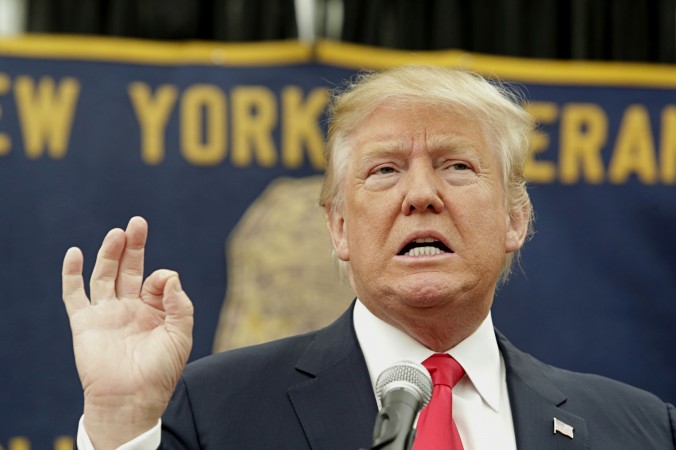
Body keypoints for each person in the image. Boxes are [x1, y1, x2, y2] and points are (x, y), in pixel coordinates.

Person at [62, 65, 675, 449]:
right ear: (339, 228)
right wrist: (123, 422)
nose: (420, 195)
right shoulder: (215, 413)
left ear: (516, 218)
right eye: (385, 170)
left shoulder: (640, 429)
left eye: (456, 166)